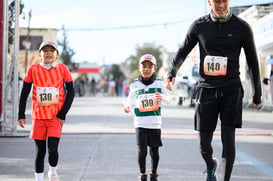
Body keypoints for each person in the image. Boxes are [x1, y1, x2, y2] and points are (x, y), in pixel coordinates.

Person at [166, 0, 262, 181]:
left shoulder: (242, 27)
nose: (220, 5)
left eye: (224, 1)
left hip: (231, 89)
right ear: (209, 2)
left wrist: (258, 93)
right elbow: (182, 51)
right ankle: (211, 165)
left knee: (228, 140)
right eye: (216, 1)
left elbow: (253, 62)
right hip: (206, 89)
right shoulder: (199, 26)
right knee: (203, 145)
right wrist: (172, 71)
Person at [18, 41, 75, 181]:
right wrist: (21, 114)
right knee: (40, 150)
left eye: (51, 50)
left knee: (53, 149)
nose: (48, 52)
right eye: (45, 50)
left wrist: (63, 113)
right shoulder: (33, 69)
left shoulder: (63, 69)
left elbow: (71, 91)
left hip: (55, 117)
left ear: (57, 55)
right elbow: (24, 92)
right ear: (40, 54)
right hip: (38, 117)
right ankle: (38, 179)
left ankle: (53, 172)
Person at [124, 54, 170, 181]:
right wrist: (128, 106)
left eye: (150, 66)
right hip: (140, 122)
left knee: (154, 151)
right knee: (142, 151)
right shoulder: (134, 84)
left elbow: (169, 98)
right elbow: (131, 99)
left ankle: (154, 173)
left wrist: (162, 97)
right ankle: (142, 174)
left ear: (154, 69)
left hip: (155, 123)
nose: (146, 69)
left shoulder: (159, 83)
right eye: (144, 66)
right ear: (140, 67)